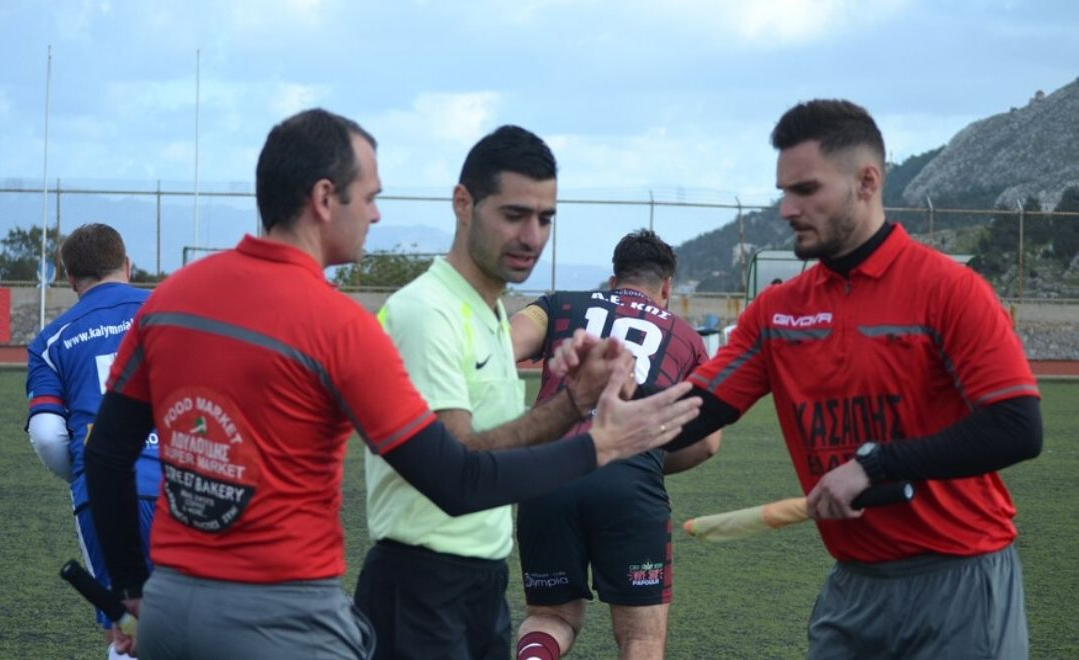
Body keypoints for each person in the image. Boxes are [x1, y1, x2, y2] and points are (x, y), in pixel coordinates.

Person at [82, 108, 703, 660]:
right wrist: (598, 444)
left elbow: (105, 453)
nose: (377, 213)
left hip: (171, 608)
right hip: (288, 616)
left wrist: (131, 586)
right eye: (370, 196)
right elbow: (455, 478)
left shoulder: (170, 297)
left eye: (544, 218)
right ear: (325, 198)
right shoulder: (341, 325)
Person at [657, 99, 1042, 659]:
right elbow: (699, 408)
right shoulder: (778, 312)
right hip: (855, 589)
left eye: (806, 190)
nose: (787, 209)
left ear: (867, 182)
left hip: (961, 578)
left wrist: (875, 465)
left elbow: (1016, 427)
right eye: (783, 191)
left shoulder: (949, 290)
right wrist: (601, 413)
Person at [354, 125, 623, 660]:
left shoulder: (491, 311)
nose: (532, 236)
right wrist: (596, 443)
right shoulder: (426, 312)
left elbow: (500, 444)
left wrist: (575, 399)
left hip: (482, 580)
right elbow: (457, 465)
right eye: (514, 214)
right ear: (463, 203)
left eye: (545, 218)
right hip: (420, 585)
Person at [507, 229, 722, 660]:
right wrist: (648, 458)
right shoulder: (688, 339)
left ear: (613, 280)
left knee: (552, 617)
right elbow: (707, 443)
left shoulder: (558, 304)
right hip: (630, 479)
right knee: (640, 638)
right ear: (666, 288)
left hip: (549, 471)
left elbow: (499, 347)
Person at [24, 223, 160, 660]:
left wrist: (88, 472)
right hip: (185, 483)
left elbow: (47, 436)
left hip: (104, 497)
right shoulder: (172, 311)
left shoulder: (50, 341)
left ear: (70, 279)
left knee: (125, 628)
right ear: (127, 265)